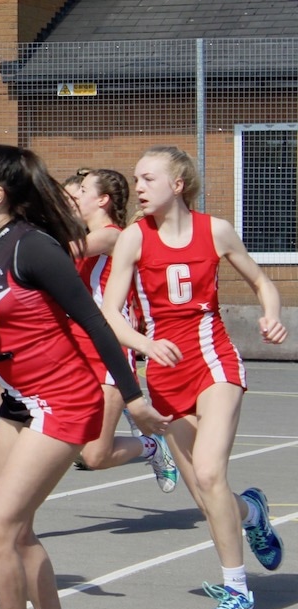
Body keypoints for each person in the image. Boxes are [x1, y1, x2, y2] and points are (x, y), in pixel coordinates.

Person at [0, 144, 169, 609]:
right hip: (17, 400)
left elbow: (96, 324)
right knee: (16, 529)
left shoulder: (34, 248)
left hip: (63, 400)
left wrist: (135, 401)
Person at [101, 145, 286, 609]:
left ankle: (237, 593)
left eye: (148, 178)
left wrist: (271, 314)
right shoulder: (134, 239)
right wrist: (145, 342)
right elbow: (109, 314)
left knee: (208, 472)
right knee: (208, 498)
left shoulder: (215, 230)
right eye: (136, 179)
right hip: (164, 374)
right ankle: (252, 512)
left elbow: (263, 282)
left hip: (214, 361)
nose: (138, 187)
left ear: (178, 184)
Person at [68, 168, 179, 491]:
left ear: (102, 200)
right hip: (75, 349)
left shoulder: (112, 236)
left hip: (108, 349)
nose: (76, 198)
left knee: (96, 457)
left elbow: (69, 249)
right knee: (73, 442)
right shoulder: (83, 234)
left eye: (82, 192)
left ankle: (152, 445)